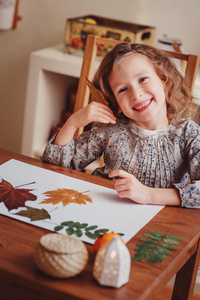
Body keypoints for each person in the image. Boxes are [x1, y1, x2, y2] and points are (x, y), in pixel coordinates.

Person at [43, 43, 200, 208]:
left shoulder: (189, 134)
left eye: (142, 79)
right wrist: (72, 122)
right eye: (123, 89)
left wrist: (148, 194)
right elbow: (56, 166)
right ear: (116, 103)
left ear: (164, 80)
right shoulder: (111, 129)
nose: (136, 94)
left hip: (161, 224)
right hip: (103, 209)